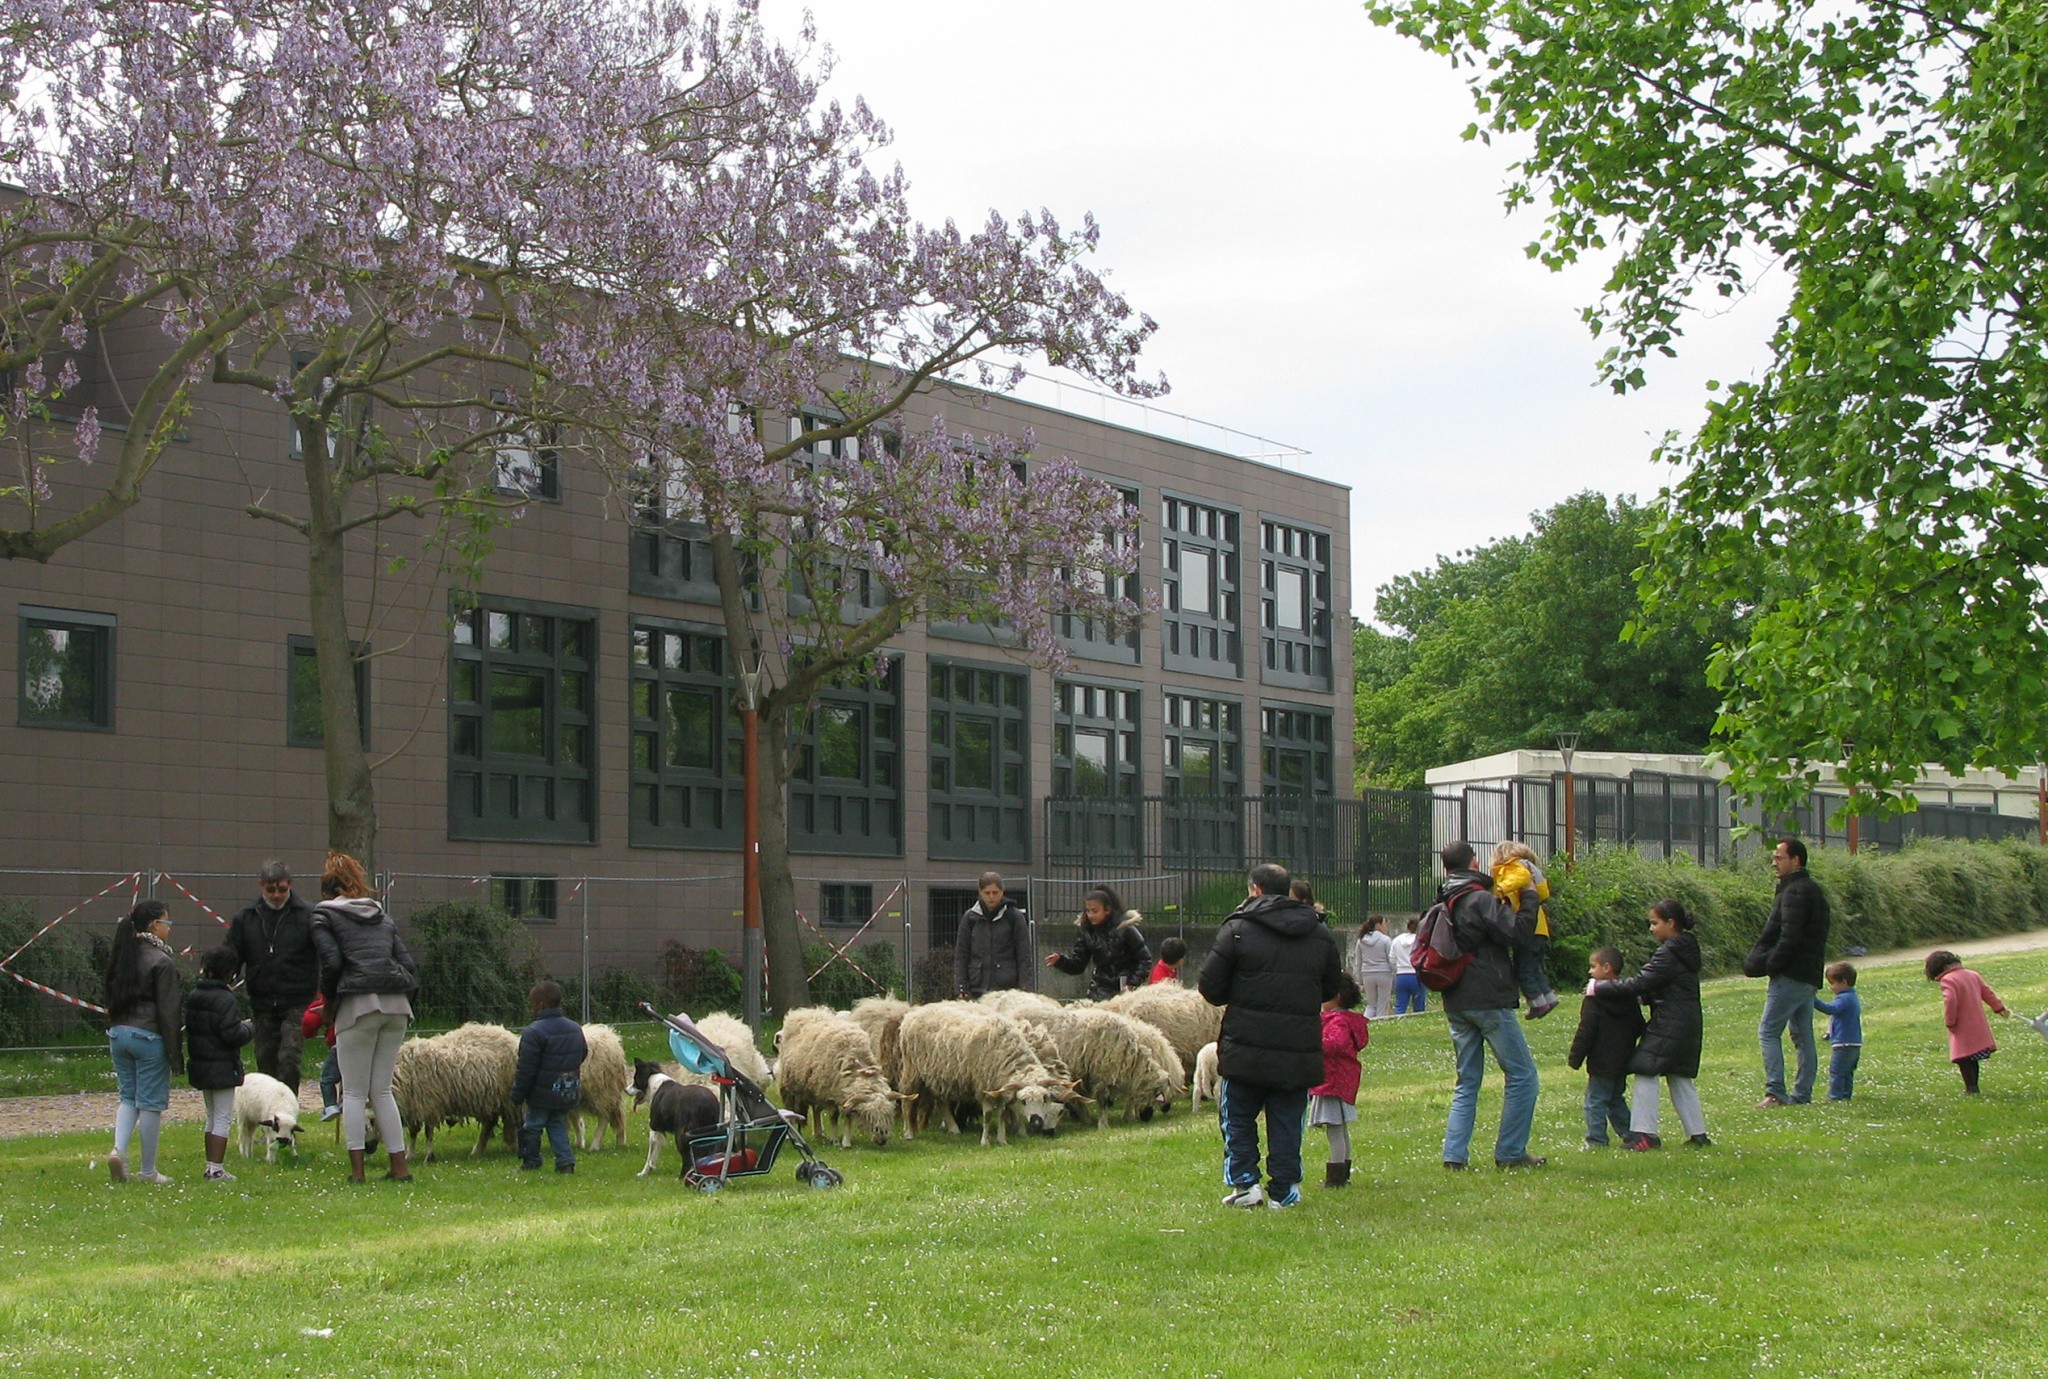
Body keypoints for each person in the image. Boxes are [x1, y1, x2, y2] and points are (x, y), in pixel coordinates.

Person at [1197, 862, 1343, 1209]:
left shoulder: (1236, 929)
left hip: (1245, 1041)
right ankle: (1285, 1188)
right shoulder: (1318, 932)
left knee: (1237, 1115)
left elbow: (1211, 987)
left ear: (1255, 890)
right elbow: (1330, 987)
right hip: (1297, 1044)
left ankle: (1245, 1183)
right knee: (1287, 1118)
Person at [1432, 840, 1544, 1170]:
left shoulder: (1443, 899)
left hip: (1456, 998)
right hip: (1488, 997)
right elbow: (1519, 933)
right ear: (1475, 863)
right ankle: (1511, 1152)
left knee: (1467, 1081)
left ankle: (1454, 1155)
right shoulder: (1479, 899)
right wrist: (1530, 897)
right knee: (1523, 1076)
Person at [311, 851, 419, 1183]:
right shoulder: (382, 917)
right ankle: (399, 1168)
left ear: (327, 892)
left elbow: (331, 963)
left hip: (357, 1005)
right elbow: (410, 966)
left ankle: (357, 1173)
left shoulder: (323, 916)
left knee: (355, 1093)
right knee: (382, 1090)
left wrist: (329, 1004)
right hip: (396, 1006)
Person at [1593, 900, 1710, 1150]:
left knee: (1646, 1068)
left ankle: (1644, 1135)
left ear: (1671, 924)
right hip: (1686, 1020)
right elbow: (1666, 984)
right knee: (1679, 1075)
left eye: (1655, 923)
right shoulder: (1686, 949)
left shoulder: (1669, 952)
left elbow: (1641, 982)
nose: (1651, 928)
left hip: (1670, 1021)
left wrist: (1599, 987)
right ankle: (1698, 1134)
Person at [103, 900, 183, 1185]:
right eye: (167, 923)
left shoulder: (124, 953)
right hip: (148, 1036)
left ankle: (118, 1150)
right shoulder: (162, 961)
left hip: (118, 1034)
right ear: (154, 925)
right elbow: (169, 1012)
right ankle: (148, 1170)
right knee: (150, 1104)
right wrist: (176, 1054)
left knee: (128, 1097)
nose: (168, 929)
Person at [1747, 837, 1832, 1107]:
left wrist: (1772, 965)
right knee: (1803, 1034)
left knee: (1768, 1031)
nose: (1774, 863)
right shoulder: (1812, 890)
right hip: (1808, 974)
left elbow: (1789, 936)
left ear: (1796, 860)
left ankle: (1775, 1092)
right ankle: (1802, 1094)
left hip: (1791, 974)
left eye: (1779, 857)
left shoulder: (1795, 892)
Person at [224, 860, 320, 1095]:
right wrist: (224, 979)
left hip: (297, 1001)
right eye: (270, 890)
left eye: (282, 889)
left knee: (289, 1059)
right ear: (261, 886)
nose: (276, 895)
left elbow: (323, 953)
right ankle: (269, 1114)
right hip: (262, 1001)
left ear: (290, 885)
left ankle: (286, 1111)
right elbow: (232, 954)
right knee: (265, 1060)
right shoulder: (246, 917)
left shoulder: (308, 915)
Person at [184, 946, 255, 1181]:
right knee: (223, 1117)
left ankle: (211, 1165)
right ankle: (216, 1168)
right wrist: (248, 1028)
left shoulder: (195, 995)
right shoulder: (225, 999)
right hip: (222, 1065)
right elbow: (231, 1034)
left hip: (201, 1063)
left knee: (212, 1115)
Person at [1568, 945, 1644, 1149]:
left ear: (1607, 968)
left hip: (1601, 1061)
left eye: (1593, 967)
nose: (1590, 972)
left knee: (1595, 1101)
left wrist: (1575, 1057)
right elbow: (1638, 1025)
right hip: (1622, 1059)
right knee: (1615, 1099)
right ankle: (1631, 1134)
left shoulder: (1594, 998)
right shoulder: (1628, 996)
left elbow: (1587, 1029)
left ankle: (1596, 1140)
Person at [513, 980, 588, 1173]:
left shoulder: (533, 1032)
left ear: (540, 1005)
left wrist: (518, 1094)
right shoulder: (574, 1028)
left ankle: (531, 1161)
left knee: (532, 1125)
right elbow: (583, 1052)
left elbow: (526, 1068)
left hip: (542, 1092)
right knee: (557, 1124)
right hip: (566, 1089)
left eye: (532, 1004)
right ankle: (565, 1162)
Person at [1308, 974, 1371, 1188]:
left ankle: (1336, 1177)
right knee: (1340, 1129)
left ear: (1335, 997)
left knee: (1334, 1130)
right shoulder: (1346, 1021)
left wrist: (1313, 1039)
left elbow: (1334, 1044)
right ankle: (1342, 1171)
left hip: (1332, 1082)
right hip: (1341, 1081)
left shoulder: (1337, 1022)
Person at [1925, 950, 2011, 1094]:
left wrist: (1950, 1021)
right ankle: (1974, 1086)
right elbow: (1987, 993)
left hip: (1961, 1024)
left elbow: (1950, 1001)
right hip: (1977, 1022)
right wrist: (1999, 1008)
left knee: (1962, 1057)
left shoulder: (1948, 980)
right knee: (1973, 1056)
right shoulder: (1973, 975)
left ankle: (1971, 1087)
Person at [1045, 885, 1152, 1000]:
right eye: (1087, 911)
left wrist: (1131, 984)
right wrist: (1061, 961)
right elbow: (1078, 965)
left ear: (1107, 910)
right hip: (1099, 992)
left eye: (1095, 911)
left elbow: (1145, 959)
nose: (1090, 915)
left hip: (1125, 992)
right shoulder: (1088, 933)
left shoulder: (1126, 928)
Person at [1492, 840, 1559, 1019]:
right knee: (1533, 968)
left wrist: (1501, 888)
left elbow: (1519, 879)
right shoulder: (1527, 868)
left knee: (1523, 970)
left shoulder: (1515, 867)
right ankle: (1548, 998)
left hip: (1529, 928)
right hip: (1539, 929)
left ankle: (1538, 1003)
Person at [955, 872, 1034, 999]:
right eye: (987, 893)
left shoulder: (1014, 917)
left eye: (995, 892)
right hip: (977, 987)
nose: (991, 897)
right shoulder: (970, 918)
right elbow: (961, 955)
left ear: (1002, 892)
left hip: (1007, 990)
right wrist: (961, 987)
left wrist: (1025, 988)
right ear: (980, 892)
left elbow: (1024, 955)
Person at [1814, 961, 1864, 1102]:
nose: (1831, 987)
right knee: (1847, 1072)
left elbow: (1831, 1009)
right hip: (1854, 1043)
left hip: (1843, 1043)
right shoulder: (1852, 997)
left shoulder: (1844, 998)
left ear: (1844, 982)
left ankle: (1835, 1096)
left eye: (1833, 983)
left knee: (1837, 1071)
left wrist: (1813, 1000)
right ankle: (1845, 1095)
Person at [301, 994, 343, 1122]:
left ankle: (330, 1106)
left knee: (327, 1079)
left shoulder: (326, 1002)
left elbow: (309, 1023)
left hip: (339, 1045)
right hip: (366, 1045)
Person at [1352, 915, 1394, 1020]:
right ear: (1378, 925)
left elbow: (1359, 961)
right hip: (1383, 973)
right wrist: (1395, 972)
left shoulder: (1361, 940)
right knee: (1382, 1003)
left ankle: (1365, 1021)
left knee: (1371, 1004)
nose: (1385, 926)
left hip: (1367, 973)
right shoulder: (1385, 940)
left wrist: (1360, 979)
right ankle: (1381, 1022)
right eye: (1383, 923)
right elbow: (1391, 958)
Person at [1389, 916, 1426, 1017]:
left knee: (1400, 1005)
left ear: (1407, 926)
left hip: (1401, 975)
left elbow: (1392, 958)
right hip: (1416, 975)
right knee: (1419, 1007)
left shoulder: (1397, 940)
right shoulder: (1421, 941)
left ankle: (1397, 1023)